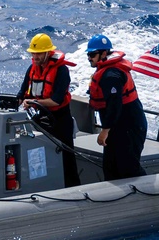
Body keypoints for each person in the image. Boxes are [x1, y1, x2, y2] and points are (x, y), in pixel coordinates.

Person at [17, 33, 81, 187]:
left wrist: (33, 102)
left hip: (60, 119)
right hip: (41, 117)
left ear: (48, 53)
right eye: (33, 53)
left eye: (38, 53)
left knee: (67, 156)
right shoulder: (32, 69)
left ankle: (73, 186)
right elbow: (22, 93)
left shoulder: (61, 71)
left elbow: (55, 100)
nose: (35, 57)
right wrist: (13, 104)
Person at [85, 34, 148, 181]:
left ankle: (148, 198)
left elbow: (115, 106)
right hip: (117, 126)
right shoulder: (105, 71)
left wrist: (104, 131)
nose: (89, 57)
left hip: (129, 126)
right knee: (111, 167)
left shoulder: (111, 75)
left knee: (128, 167)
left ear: (104, 54)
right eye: (88, 54)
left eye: (93, 54)